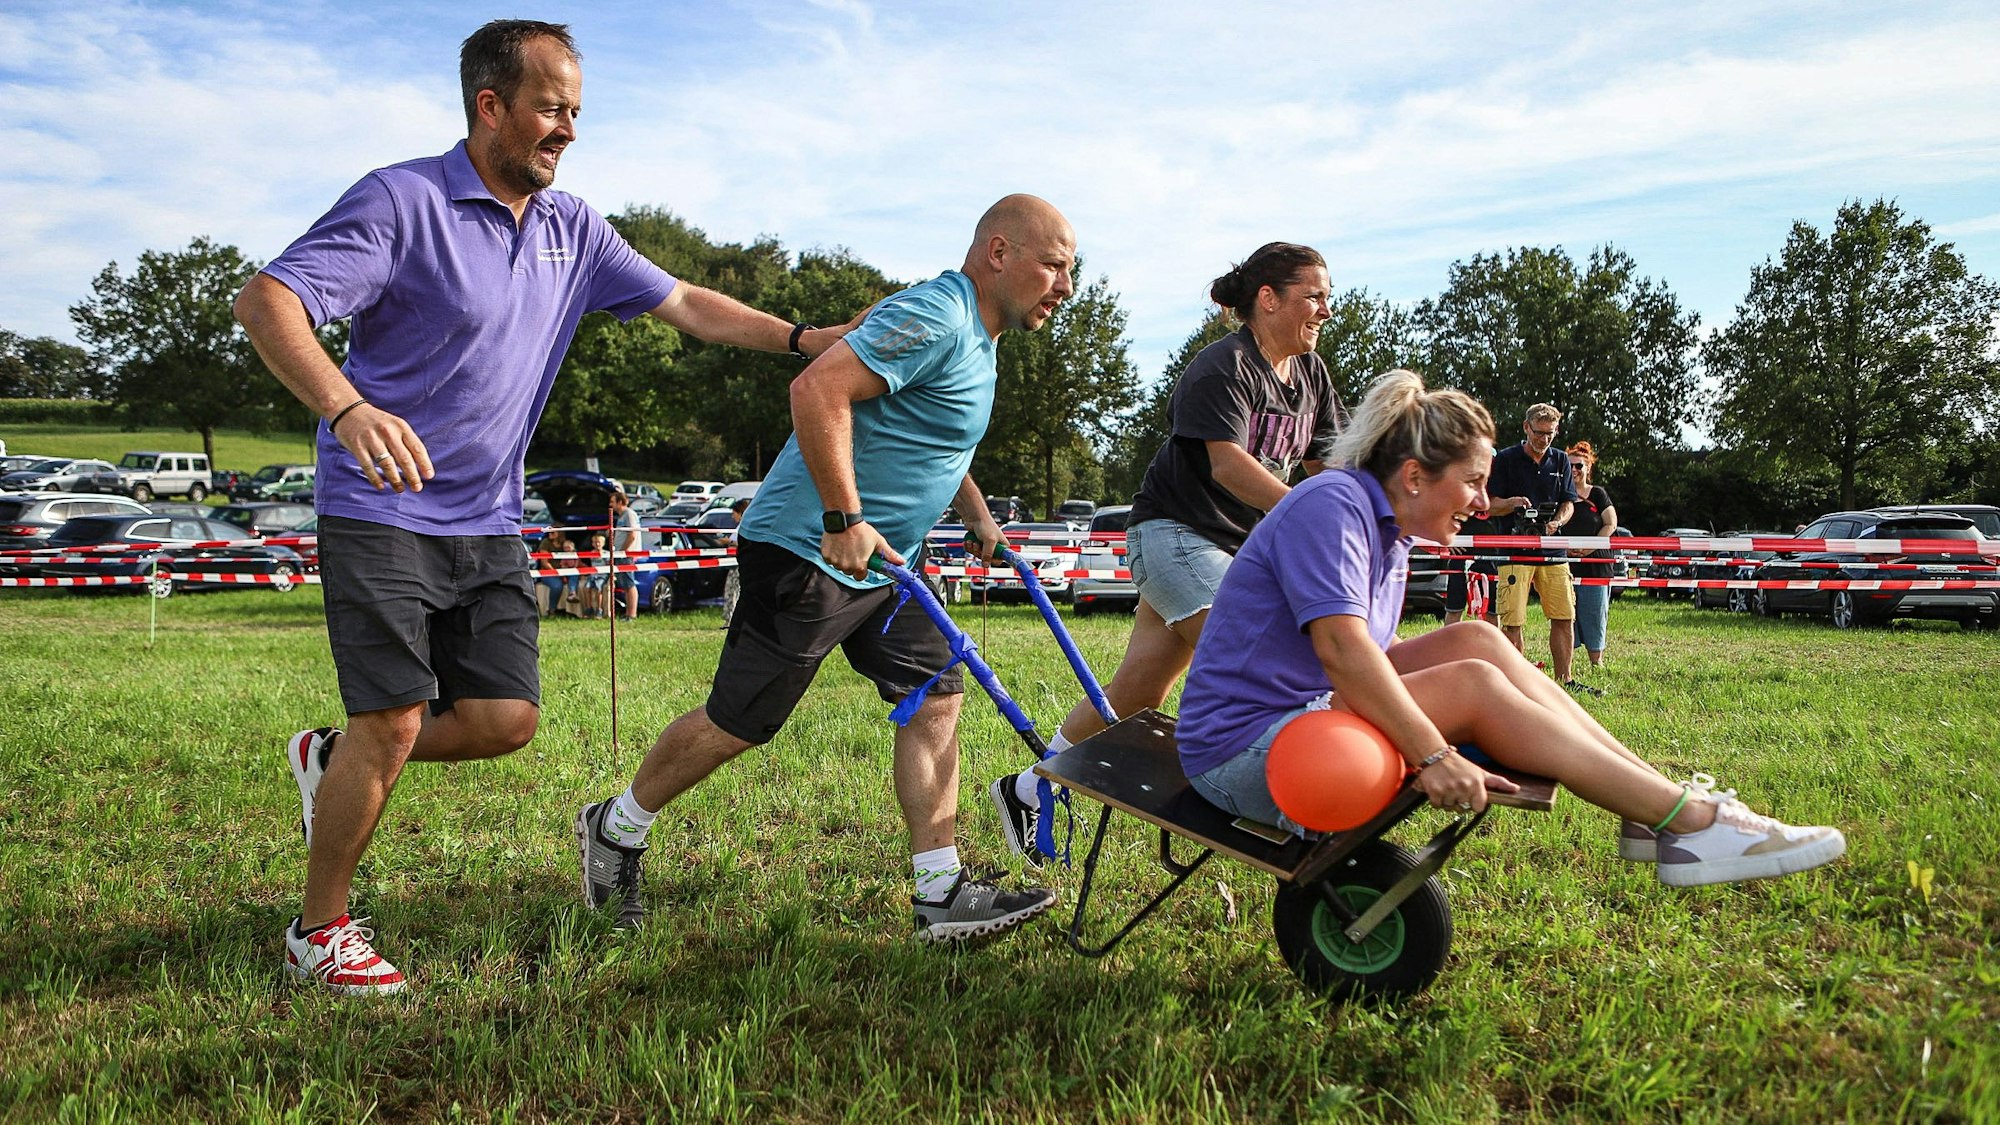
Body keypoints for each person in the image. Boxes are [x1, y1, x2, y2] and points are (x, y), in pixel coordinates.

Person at [234, 19, 860, 996]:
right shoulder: (402, 202)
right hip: (381, 505)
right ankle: (319, 931)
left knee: (502, 719)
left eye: (576, 112)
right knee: (395, 719)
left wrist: (802, 333)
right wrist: (345, 407)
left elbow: (686, 303)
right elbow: (270, 299)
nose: (567, 130)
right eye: (551, 109)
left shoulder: (571, 230)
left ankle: (331, 755)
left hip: (488, 518)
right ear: (491, 106)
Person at [576, 195, 1075, 943]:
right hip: (809, 547)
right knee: (739, 723)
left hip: (886, 567)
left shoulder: (982, 336)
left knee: (936, 695)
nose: (1066, 285)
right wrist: (844, 515)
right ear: (999, 254)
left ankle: (939, 893)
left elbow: (931, 435)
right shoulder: (938, 313)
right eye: (1056, 265)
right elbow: (817, 388)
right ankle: (614, 827)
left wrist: (975, 514)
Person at [1175, 369, 1845, 887]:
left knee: (1480, 638)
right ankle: (1692, 825)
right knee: (1472, 679)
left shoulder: (1390, 527)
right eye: (1471, 482)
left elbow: (1366, 655)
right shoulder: (1333, 505)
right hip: (1243, 751)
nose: (1479, 501)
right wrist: (1436, 754)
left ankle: (1653, 804)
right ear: (1413, 476)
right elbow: (1343, 650)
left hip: (1304, 714)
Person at [989, 242, 1345, 860]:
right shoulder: (1224, 366)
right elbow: (1228, 464)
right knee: (1258, 665)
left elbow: (1328, 465)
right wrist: (1302, 513)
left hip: (1239, 552)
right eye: (1314, 296)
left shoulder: (1311, 376)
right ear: (1269, 299)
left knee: (1135, 696)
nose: (1325, 310)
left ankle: (1029, 787)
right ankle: (1288, 792)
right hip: (1177, 537)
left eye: (1327, 298)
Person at [1486, 403, 1579, 687]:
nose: (1544, 439)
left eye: (1550, 434)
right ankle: (1517, 682)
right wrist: (1512, 503)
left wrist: (1557, 523)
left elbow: (1569, 502)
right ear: (1526, 428)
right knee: (1513, 621)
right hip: (1514, 549)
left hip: (1553, 550)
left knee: (1564, 615)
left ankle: (1565, 679)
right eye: (1539, 433)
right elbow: (1489, 505)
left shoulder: (1561, 460)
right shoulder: (1504, 459)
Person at [1564, 441, 1618, 673]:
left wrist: (1590, 547)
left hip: (1596, 565)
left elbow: (1611, 523)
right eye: (1570, 467)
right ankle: (1567, 661)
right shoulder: (1561, 495)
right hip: (1566, 564)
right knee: (1566, 614)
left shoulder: (1598, 494)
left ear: (1588, 468)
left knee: (1595, 613)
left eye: (1579, 466)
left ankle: (1596, 662)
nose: (1574, 471)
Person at [608, 487, 642, 620]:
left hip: (626, 555)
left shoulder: (629, 514)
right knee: (625, 585)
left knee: (630, 584)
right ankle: (627, 613)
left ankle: (632, 614)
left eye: (612, 502)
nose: (610, 505)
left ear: (620, 502)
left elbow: (632, 534)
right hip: (620, 554)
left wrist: (624, 550)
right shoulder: (621, 517)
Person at [535, 528, 578, 617]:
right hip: (549, 572)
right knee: (557, 585)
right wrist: (559, 574)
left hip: (565, 570)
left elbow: (575, 557)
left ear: (560, 533)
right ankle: (552, 610)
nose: (550, 533)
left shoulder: (566, 544)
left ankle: (572, 596)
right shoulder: (545, 543)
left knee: (575, 575)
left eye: (553, 532)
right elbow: (545, 563)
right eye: (549, 531)